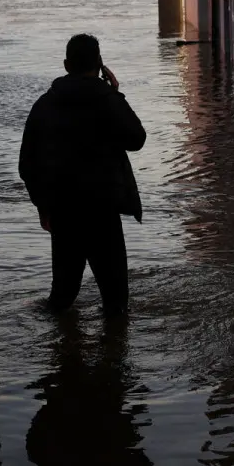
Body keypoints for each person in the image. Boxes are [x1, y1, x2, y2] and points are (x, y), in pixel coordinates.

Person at [18, 33, 146, 318]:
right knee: (115, 302)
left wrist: (43, 206)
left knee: (61, 298)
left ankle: (61, 355)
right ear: (99, 65)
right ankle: (113, 358)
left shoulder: (44, 105)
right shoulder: (107, 100)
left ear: (66, 65)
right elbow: (136, 138)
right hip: (103, 210)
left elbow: (27, 163)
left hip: (63, 211)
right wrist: (114, 92)